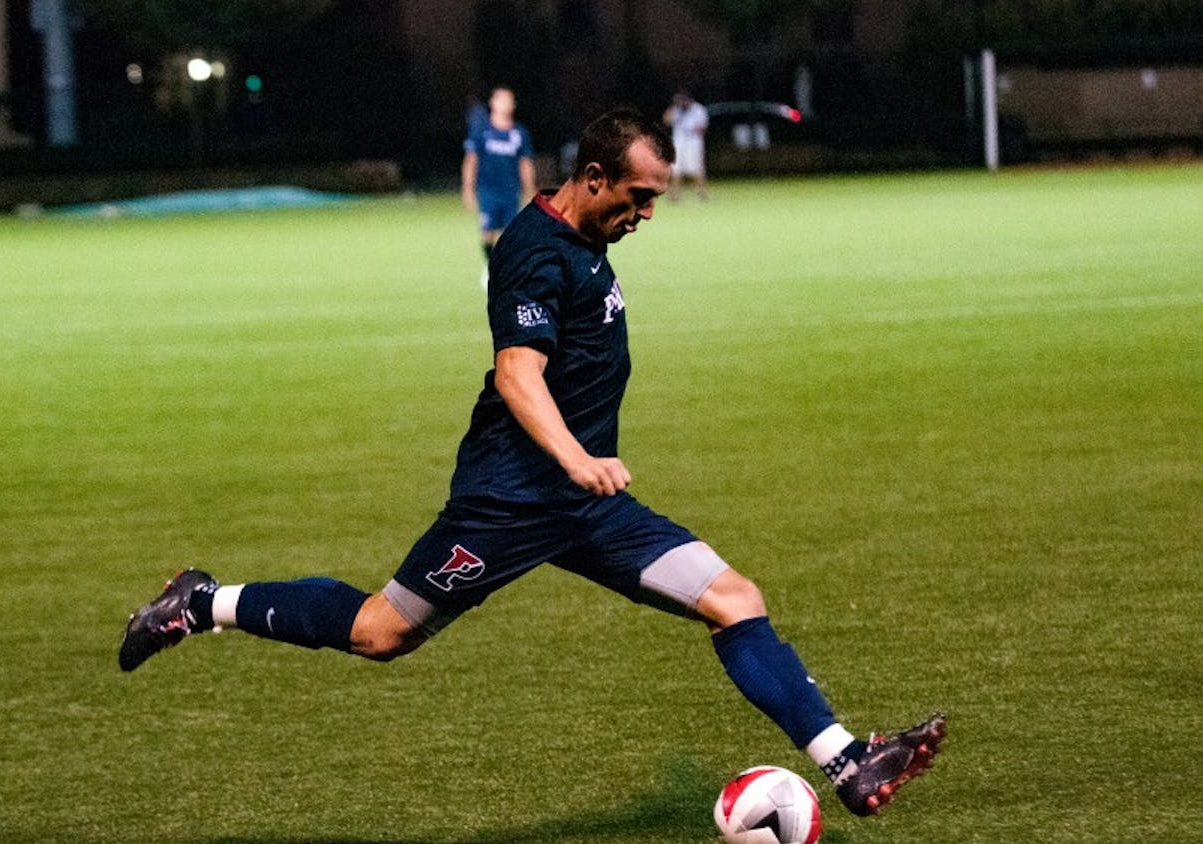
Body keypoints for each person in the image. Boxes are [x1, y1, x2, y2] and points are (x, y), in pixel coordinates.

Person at [119, 109, 945, 819]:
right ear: (594, 178)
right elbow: (518, 374)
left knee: (734, 598)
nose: (647, 214)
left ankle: (848, 762)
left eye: (656, 199)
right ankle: (202, 601)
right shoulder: (534, 252)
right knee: (380, 631)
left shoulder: (584, 237)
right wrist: (576, 457)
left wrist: (582, 471)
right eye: (639, 196)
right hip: (510, 502)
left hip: (584, 505)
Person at [461, 86, 536, 286]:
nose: (505, 104)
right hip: (487, 190)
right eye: (501, 100)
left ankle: (505, 270)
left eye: (509, 100)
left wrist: (529, 190)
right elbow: (471, 160)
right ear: (493, 103)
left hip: (510, 191)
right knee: (488, 232)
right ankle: (489, 264)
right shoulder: (482, 131)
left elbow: (525, 163)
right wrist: (468, 189)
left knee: (510, 234)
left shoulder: (519, 133)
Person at [663, 91, 709, 199]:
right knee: (676, 168)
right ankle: (675, 193)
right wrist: (672, 107)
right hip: (679, 142)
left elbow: (703, 127)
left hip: (693, 142)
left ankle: (701, 192)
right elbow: (666, 121)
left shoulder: (698, 109)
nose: (681, 103)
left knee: (697, 167)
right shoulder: (676, 110)